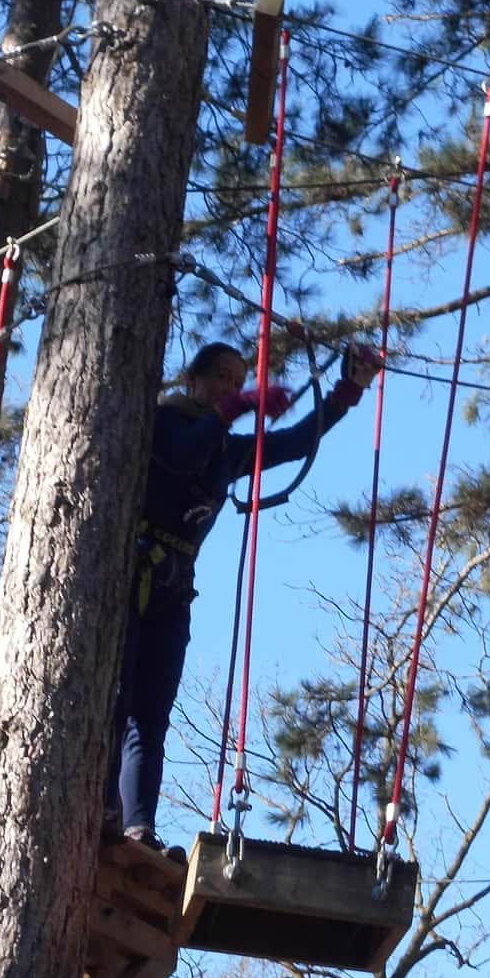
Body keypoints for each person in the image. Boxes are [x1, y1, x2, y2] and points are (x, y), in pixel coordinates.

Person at [110, 337, 382, 858]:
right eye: (221, 379)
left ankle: (136, 826)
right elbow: (183, 459)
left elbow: (297, 443)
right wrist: (239, 407)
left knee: (152, 714)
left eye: (238, 382)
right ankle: (103, 805)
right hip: (135, 574)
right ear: (193, 380)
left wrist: (347, 390)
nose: (230, 389)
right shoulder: (163, 421)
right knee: (118, 704)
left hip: (173, 587)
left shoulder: (229, 450)